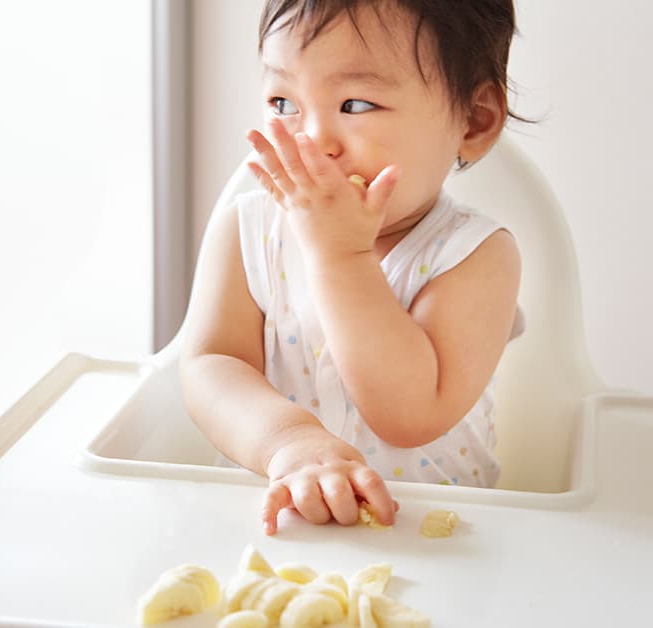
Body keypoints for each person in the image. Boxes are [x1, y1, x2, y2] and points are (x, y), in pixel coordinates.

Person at [180, 0, 524, 536]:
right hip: (277, 524)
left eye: (357, 105)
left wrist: (340, 255)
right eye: (283, 101)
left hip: (433, 534)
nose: (313, 140)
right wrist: (288, 441)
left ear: (473, 120)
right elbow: (210, 366)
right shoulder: (246, 231)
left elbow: (409, 413)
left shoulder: (476, 255)